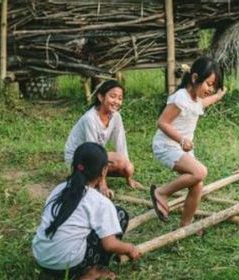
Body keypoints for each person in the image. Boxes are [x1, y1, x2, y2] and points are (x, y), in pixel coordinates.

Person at [33, 142, 140, 280]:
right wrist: (130, 249)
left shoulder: (58, 189)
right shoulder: (100, 202)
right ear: (103, 171)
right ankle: (92, 272)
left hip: (41, 258)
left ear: (75, 166)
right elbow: (110, 245)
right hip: (67, 266)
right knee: (120, 215)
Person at [150, 56, 226, 227]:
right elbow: (162, 122)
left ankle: (186, 224)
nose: (211, 89)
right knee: (200, 172)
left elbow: (203, 103)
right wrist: (182, 139)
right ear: (194, 78)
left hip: (182, 148)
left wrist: (219, 96)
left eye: (213, 86)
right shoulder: (180, 98)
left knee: (198, 185)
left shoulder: (196, 98)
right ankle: (161, 193)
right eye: (209, 84)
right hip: (167, 146)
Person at [64, 80, 142, 198]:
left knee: (128, 167)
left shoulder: (116, 116)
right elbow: (93, 152)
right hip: (78, 159)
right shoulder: (90, 118)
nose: (116, 101)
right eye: (112, 96)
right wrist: (103, 184)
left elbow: (121, 144)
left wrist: (128, 175)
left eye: (120, 98)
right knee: (117, 160)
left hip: (94, 156)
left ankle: (93, 176)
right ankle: (94, 179)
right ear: (101, 97)